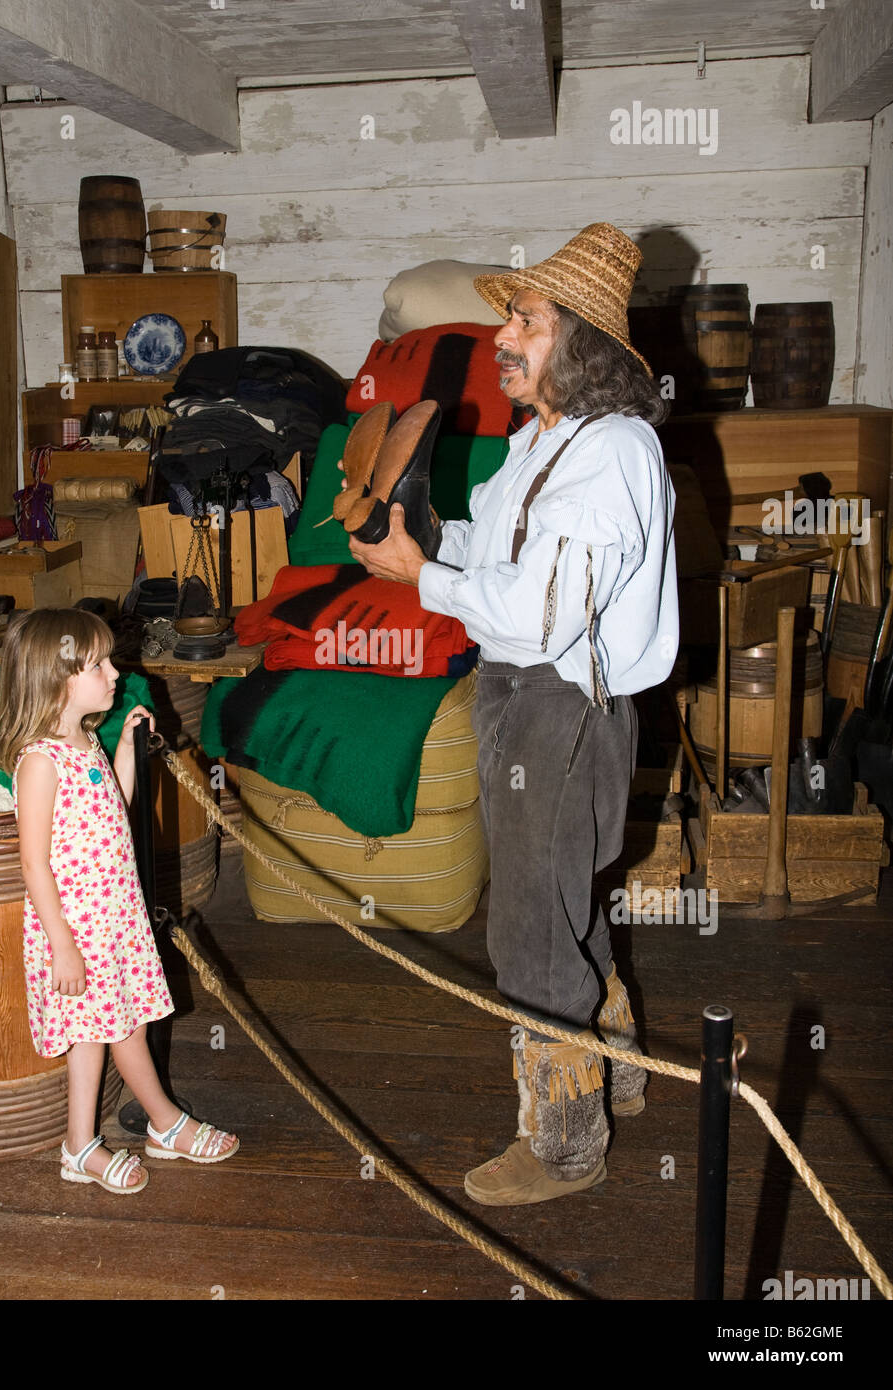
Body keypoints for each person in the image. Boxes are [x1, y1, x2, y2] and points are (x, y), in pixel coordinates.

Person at [349, 223, 678, 1204]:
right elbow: (489, 552)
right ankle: (613, 1067)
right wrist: (415, 530)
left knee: (528, 932)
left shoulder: (609, 452)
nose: (502, 336)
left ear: (578, 340)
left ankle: (565, 1145)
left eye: (525, 320)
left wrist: (426, 579)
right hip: (520, 692)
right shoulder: (537, 440)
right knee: (554, 903)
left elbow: (541, 611)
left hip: (559, 702)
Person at [0, 607, 238, 1194]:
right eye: (97, 664)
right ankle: (166, 1124)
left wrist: (127, 743)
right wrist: (62, 947)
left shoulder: (86, 740)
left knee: (96, 1033)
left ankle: (79, 1145)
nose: (112, 672)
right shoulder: (40, 763)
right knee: (119, 1027)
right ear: (57, 681)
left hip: (115, 919)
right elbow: (33, 864)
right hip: (79, 930)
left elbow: (115, 807)